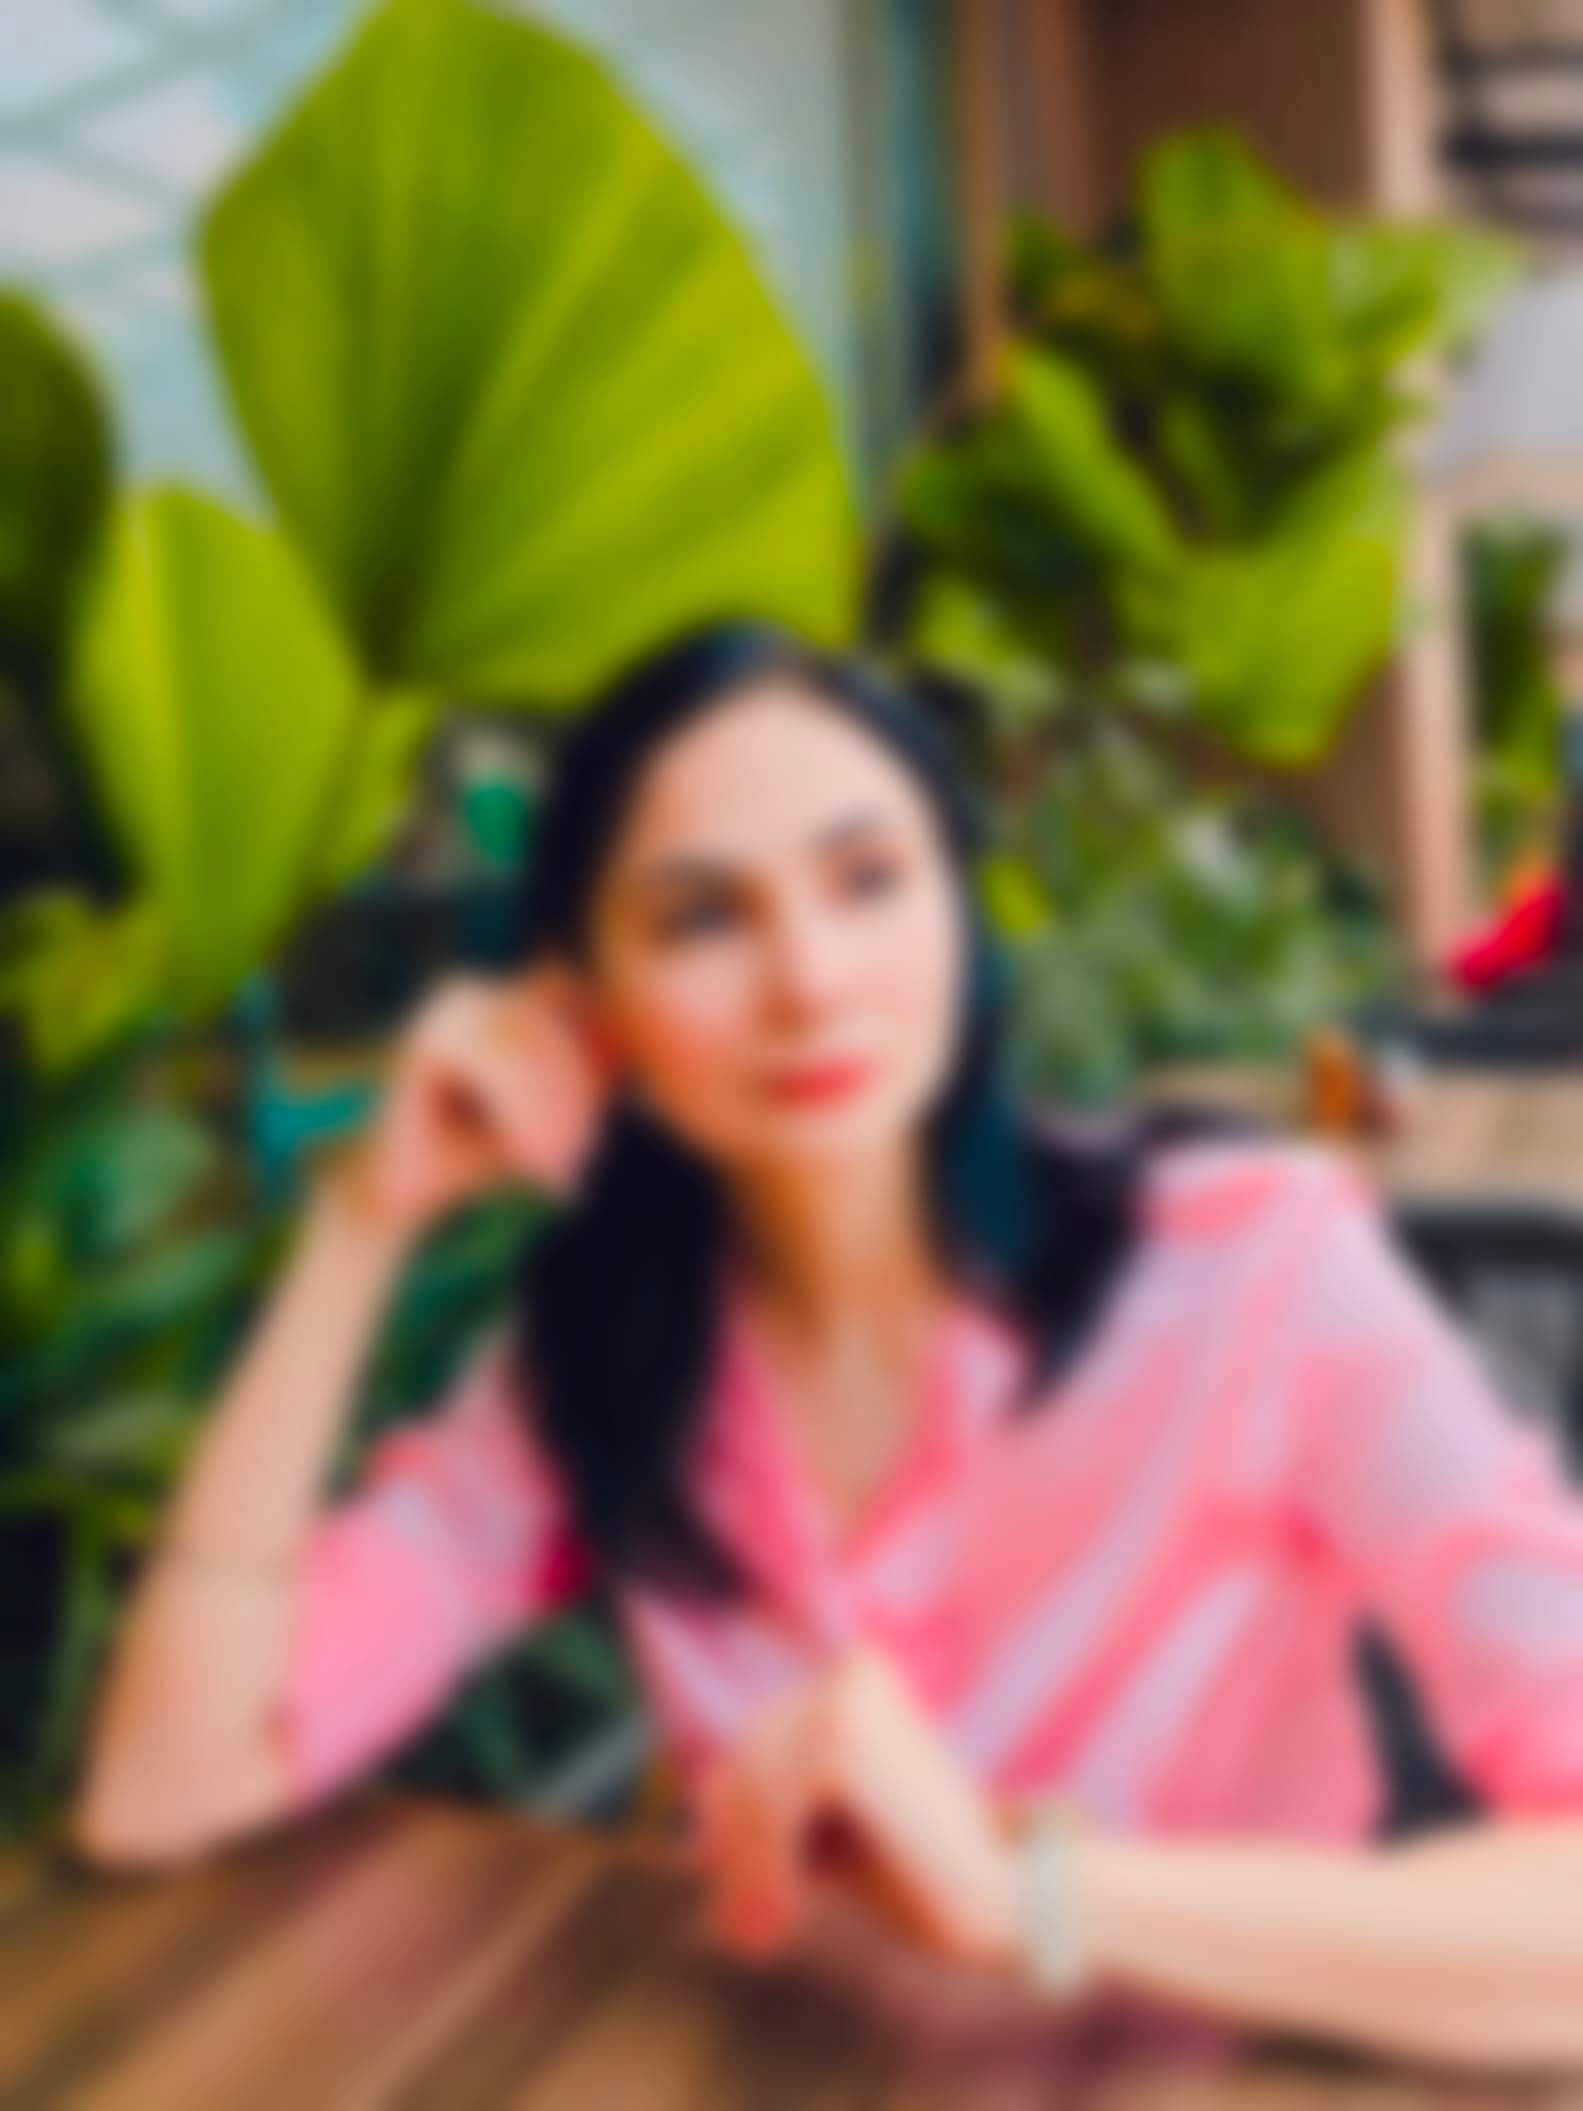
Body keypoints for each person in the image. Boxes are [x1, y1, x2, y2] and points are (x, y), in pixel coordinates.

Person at [69, 623, 1583, 2071]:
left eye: (868, 880)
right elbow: (166, 1786)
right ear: (589, 1007)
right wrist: (359, 1227)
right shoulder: (604, 1355)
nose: (809, 977)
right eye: (702, 918)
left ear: (956, 915)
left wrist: (1034, 1899)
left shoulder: (1254, 1271)